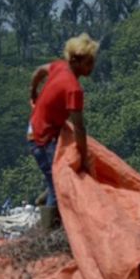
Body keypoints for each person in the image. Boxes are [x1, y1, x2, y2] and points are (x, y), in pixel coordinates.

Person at [27, 33, 98, 215]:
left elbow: (38, 72)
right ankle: (49, 227)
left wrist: (33, 91)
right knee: (59, 188)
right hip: (43, 139)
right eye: (89, 63)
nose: (92, 67)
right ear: (76, 61)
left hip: (34, 129)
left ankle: (45, 195)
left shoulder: (59, 67)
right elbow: (80, 128)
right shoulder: (73, 89)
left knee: (56, 178)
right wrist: (83, 159)